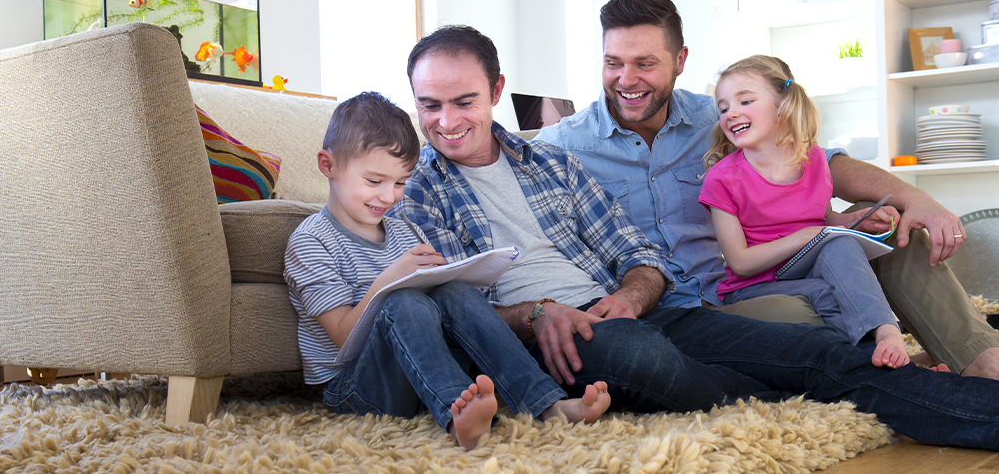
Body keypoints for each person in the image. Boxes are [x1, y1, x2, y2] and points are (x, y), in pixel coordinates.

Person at [394, 23, 999, 451]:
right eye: (430, 105)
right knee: (647, 357)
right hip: (577, 335)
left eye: (464, 101)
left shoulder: (558, 162)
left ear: (497, 91)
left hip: (657, 309)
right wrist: (535, 314)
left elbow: (638, 251)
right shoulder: (419, 190)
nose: (447, 122)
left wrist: (633, 294)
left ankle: (979, 400)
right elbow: (450, 308)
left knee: (821, 353)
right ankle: (793, 386)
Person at [533, 0, 999, 379]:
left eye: (644, 64)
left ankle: (980, 360)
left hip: (782, 267)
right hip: (702, 305)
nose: (626, 80)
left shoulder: (720, 117)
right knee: (804, 315)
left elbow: (824, 163)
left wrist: (913, 197)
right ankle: (898, 369)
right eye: (613, 62)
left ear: (680, 60)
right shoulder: (561, 145)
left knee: (897, 237)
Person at [283, 92, 611, 450]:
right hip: (353, 391)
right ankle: (458, 414)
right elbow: (345, 340)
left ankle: (546, 404)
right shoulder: (311, 242)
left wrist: (447, 278)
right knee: (403, 302)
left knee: (454, 291)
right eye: (374, 182)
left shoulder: (401, 230)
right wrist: (391, 279)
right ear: (328, 165)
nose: (388, 197)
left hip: (415, 372)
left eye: (399, 182)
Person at [698, 54, 908, 368]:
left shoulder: (816, 160)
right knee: (825, 292)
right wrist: (809, 235)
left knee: (842, 243)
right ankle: (879, 366)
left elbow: (822, 219)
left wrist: (854, 222)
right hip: (754, 286)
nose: (731, 113)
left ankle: (887, 333)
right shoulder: (722, 179)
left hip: (806, 264)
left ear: (782, 106)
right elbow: (740, 263)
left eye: (745, 101)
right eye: (724, 107)